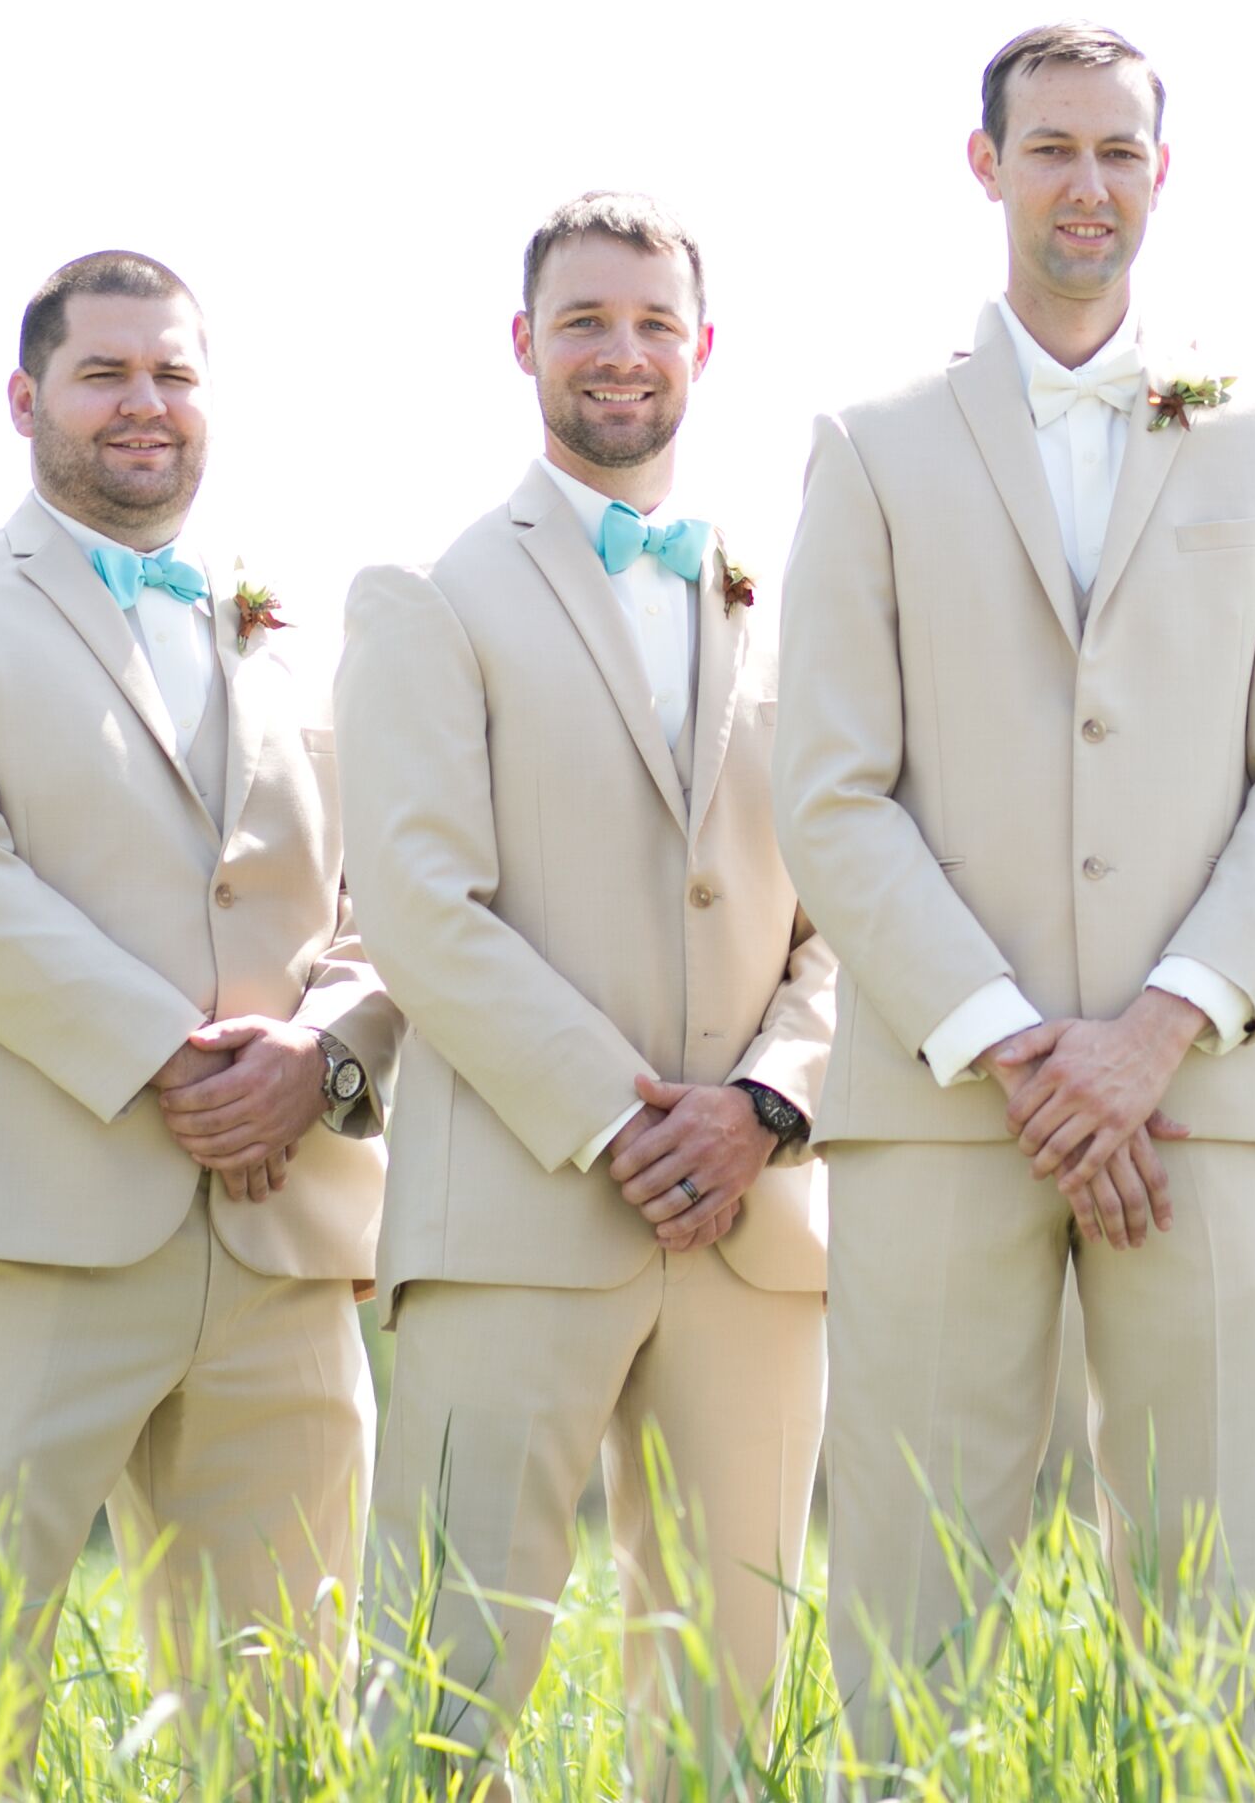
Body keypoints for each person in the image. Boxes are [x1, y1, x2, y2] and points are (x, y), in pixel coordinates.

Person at [772, 21, 1255, 1748]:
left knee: (1212, 1598)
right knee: (912, 1583)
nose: (1087, 184)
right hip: (948, 1094)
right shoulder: (870, 445)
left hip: (1204, 1100)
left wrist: (1160, 1033)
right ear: (986, 167)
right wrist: (1021, 1044)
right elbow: (832, 784)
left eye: (1120, 150)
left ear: (1161, 174)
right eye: (1053, 149)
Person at [0, 250, 396, 1788]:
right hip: (24, 1220)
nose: (145, 404)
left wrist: (321, 1054)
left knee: (288, 1711)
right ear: (28, 400)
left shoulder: (294, 638)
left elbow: (383, 896)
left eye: (175, 375)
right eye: (106, 374)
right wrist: (171, 1057)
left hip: (283, 1236)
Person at [338, 195, 835, 1768]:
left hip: (754, 1226)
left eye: (649, 324)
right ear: (524, 346)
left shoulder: (798, 604)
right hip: (516, 1213)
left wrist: (765, 1103)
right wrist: (623, 1124)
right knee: (440, 1687)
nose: (621, 355)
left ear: (701, 347)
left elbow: (849, 901)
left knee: (728, 1708)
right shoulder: (428, 600)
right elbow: (422, 906)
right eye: (584, 324)